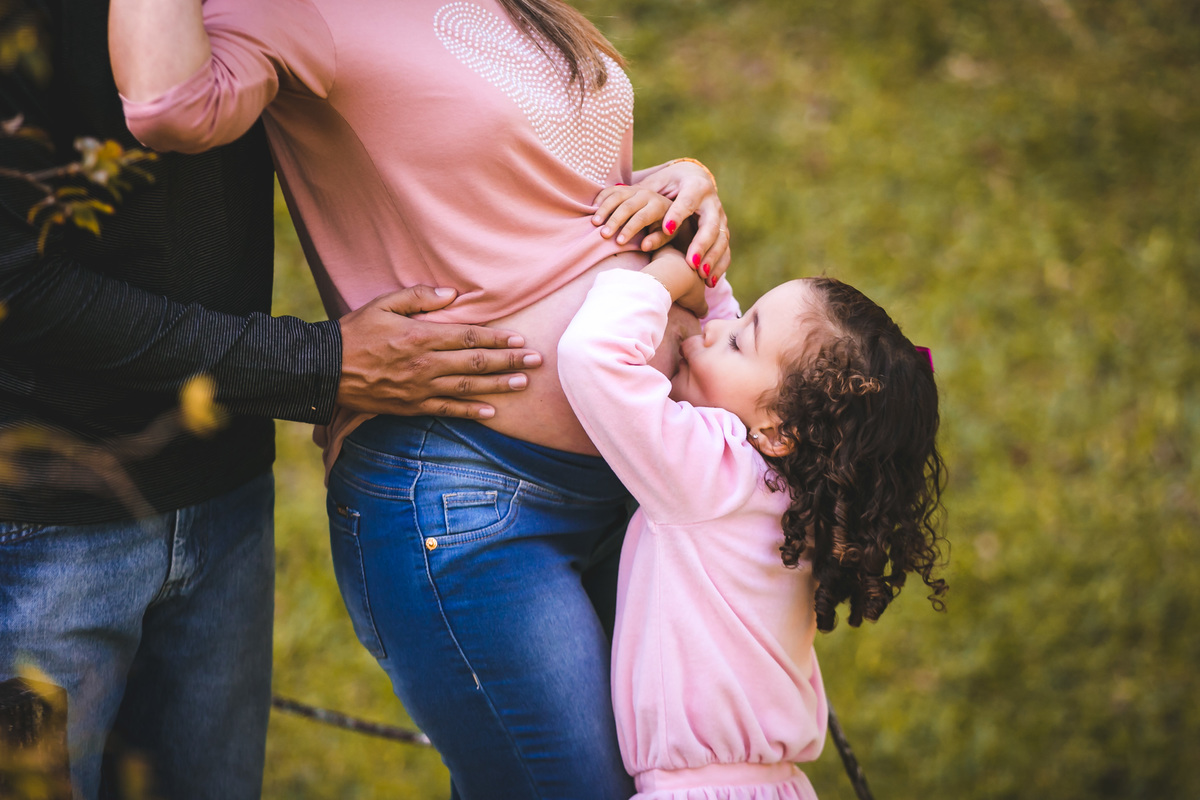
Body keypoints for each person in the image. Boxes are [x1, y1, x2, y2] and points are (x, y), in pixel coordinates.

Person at [108, 0, 731, 796]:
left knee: (678, 780)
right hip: (471, 497)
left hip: (640, 470)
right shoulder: (296, 11)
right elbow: (166, 106)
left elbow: (535, 186)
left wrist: (679, 187)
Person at [0, 2, 543, 798]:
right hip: (38, 529)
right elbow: (19, 286)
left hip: (223, 495)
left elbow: (445, 74)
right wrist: (312, 366)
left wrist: (643, 191)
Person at [557, 188, 948, 798]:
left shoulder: (711, 474)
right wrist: (710, 289)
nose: (712, 334)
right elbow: (726, 349)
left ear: (783, 430)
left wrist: (668, 277)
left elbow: (593, 359)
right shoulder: (803, 500)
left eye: (739, 339)